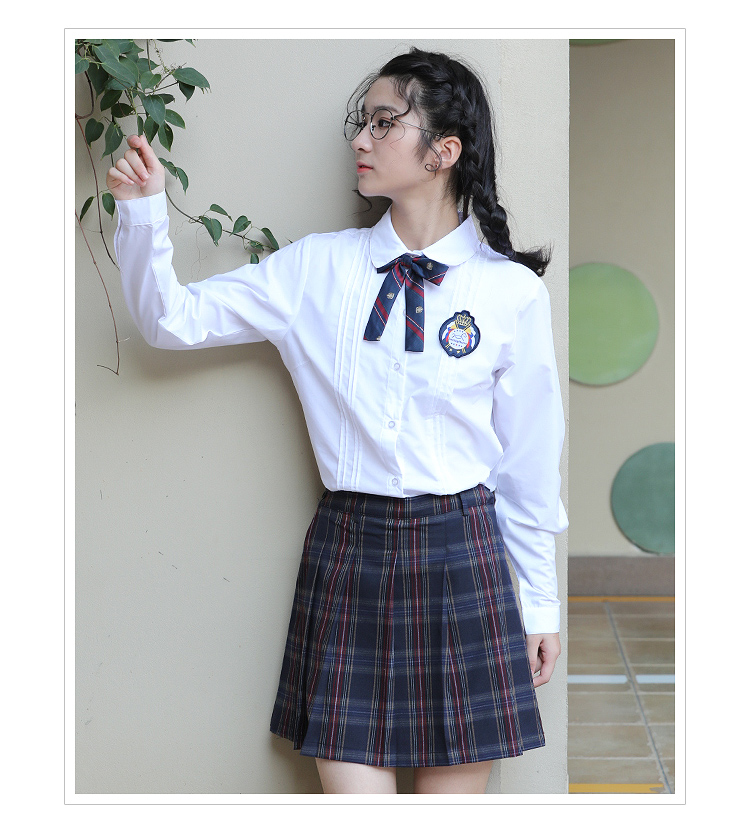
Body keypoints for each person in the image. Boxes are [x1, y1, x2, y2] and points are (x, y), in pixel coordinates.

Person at [107, 47, 567, 795]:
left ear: (444, 151)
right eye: (364, 122)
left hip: (464, 553)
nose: (360, 138)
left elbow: (529, 464)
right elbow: (171, 321)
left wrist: (540, 601)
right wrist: (142, 210)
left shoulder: (510, 293)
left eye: (384, 123)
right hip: (352, 547)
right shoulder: (315, 269)